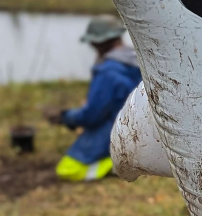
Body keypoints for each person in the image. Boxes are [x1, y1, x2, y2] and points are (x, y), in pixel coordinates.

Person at [49, 16, 141, 182]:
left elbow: (91, 115)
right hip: (141, 131)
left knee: (66, 169)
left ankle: (114, 166)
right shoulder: (139, 59)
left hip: (115, 131)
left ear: (97, 43)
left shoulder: (107, 71)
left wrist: (66, 117)